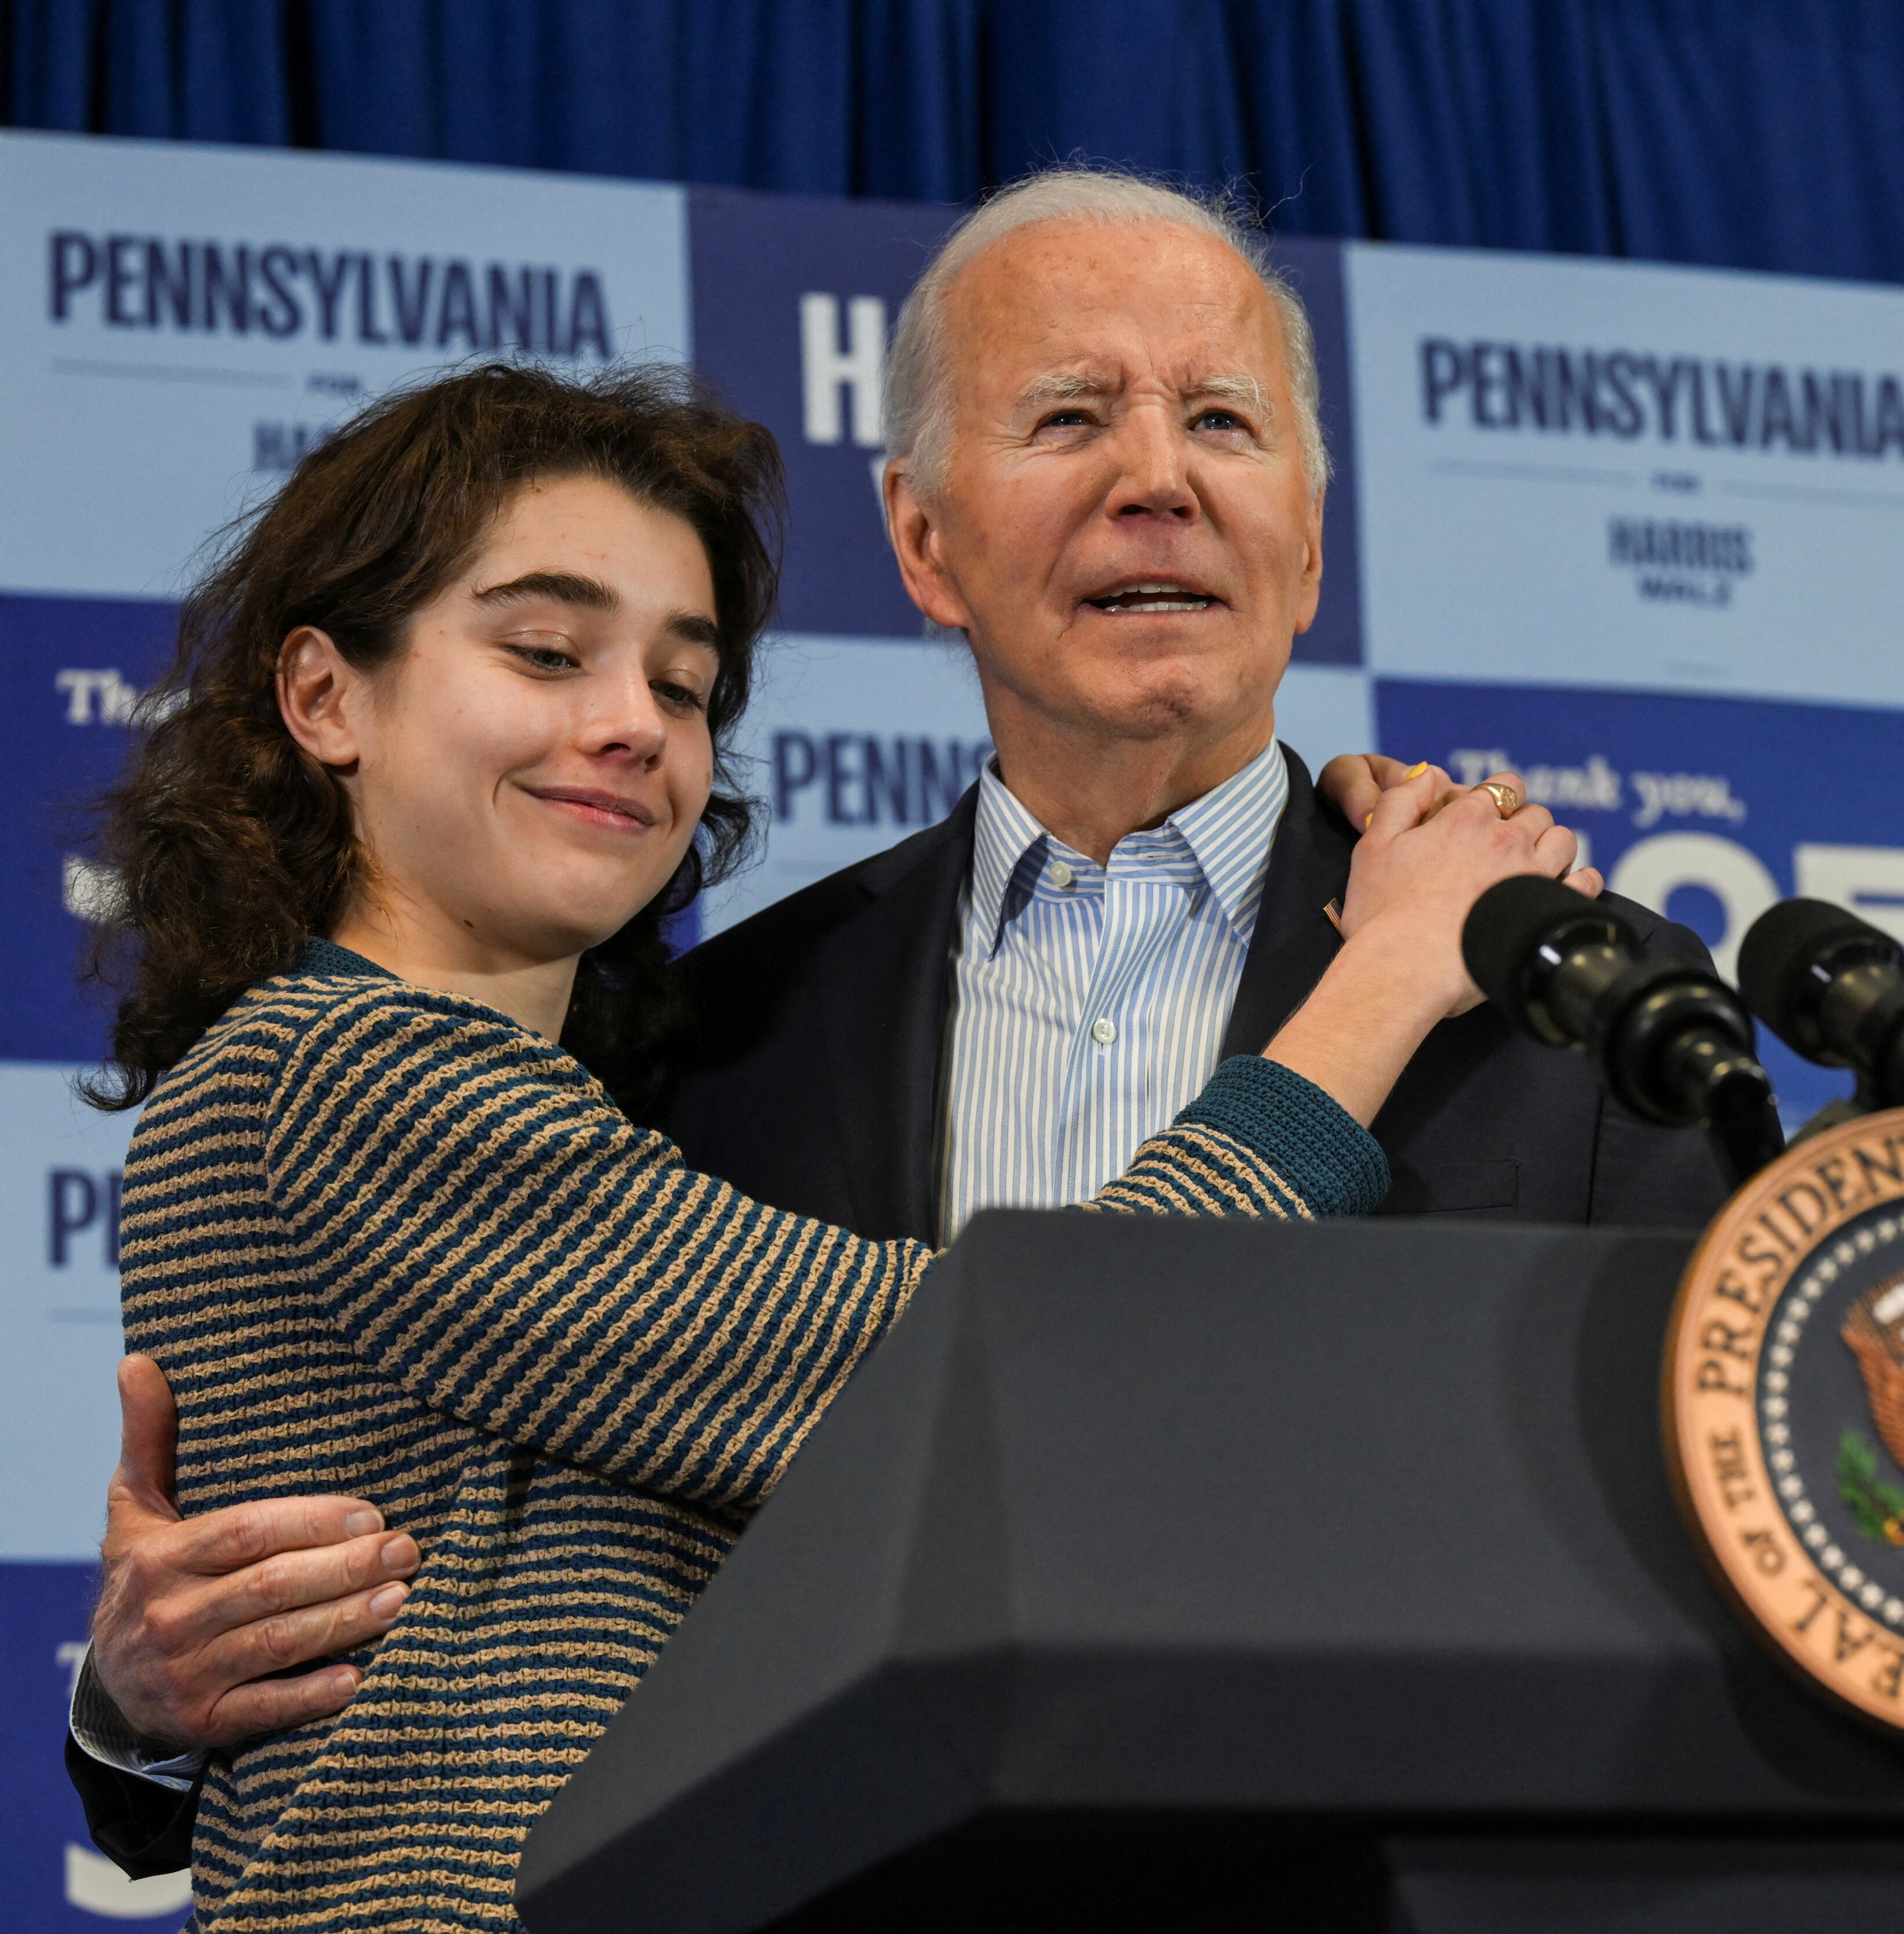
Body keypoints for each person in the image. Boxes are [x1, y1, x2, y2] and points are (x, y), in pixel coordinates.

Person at [69, 168, 1730, 1870]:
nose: (1154, 478)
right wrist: (133, 1708)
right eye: (1070, 415)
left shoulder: (1579, 1006)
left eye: (1222, 419)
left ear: (1309, 535)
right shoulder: (692, 1044)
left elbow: (1731, 1578)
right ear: (925, 541)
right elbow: (1005, 1385)